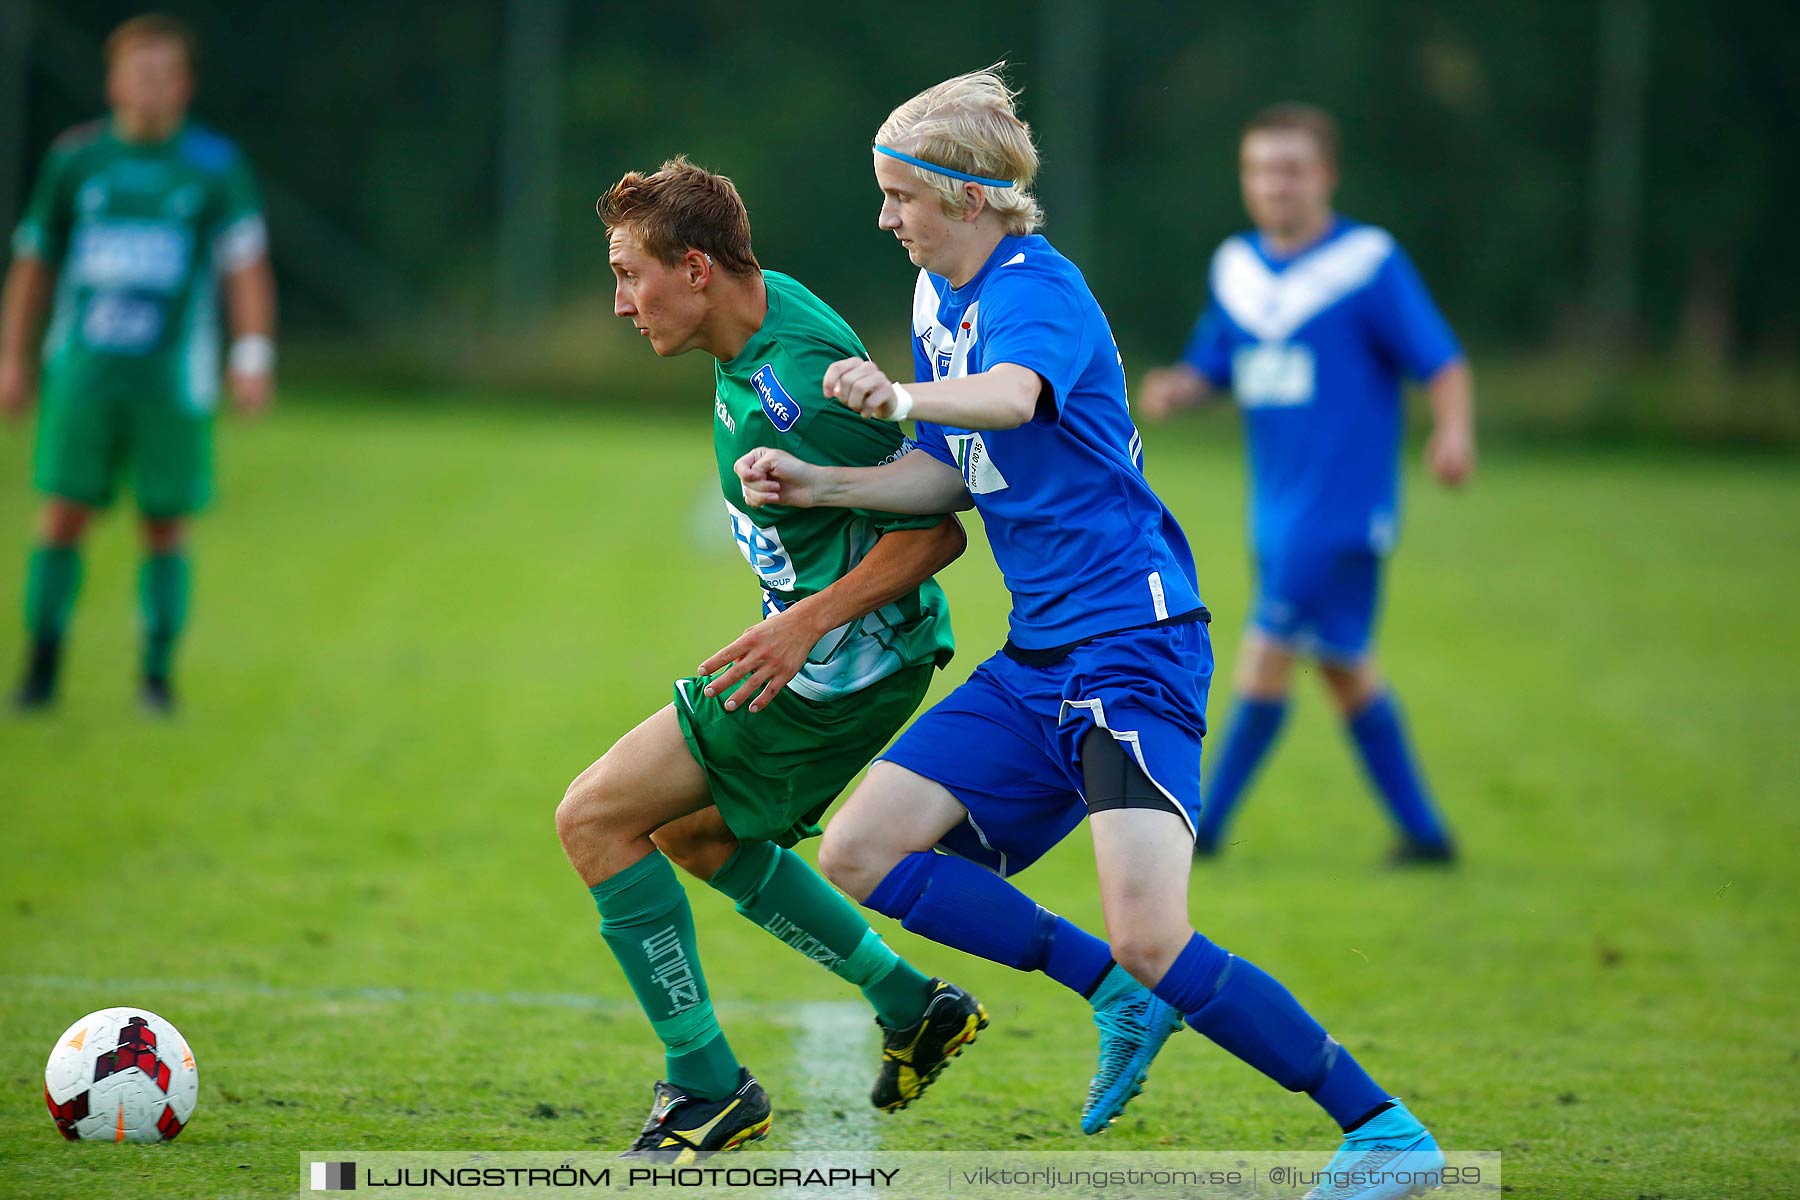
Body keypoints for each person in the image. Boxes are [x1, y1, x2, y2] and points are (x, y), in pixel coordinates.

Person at [737, 69, 1445, 1194]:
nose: (886, 219)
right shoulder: (939, 302)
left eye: (899, 196)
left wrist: (903, 398)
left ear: (966, 198)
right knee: (859, 853)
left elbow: (1012, 399)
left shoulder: (1037, 291)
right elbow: (958, 475)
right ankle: (1110, 993)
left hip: (1132, 649)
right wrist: (826, 481)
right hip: (1040, 658)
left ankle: (1385, 1133)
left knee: (1158, 936)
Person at [556, 156, 981, 1161]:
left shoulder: (800, 384)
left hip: (834, 670)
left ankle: (707, 1088)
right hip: (834, 659)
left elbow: (937, 533)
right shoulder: (761, 313)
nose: (620, 303)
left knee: (595, 820)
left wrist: (801, 624)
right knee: (697, 837)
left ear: (696, 268)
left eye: (631, 274)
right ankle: (912, 1005)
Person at [1136, 104, 1474, 864]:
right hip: (1277, 507)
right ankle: (1425, 835)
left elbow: (1441, 361)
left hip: (1343, 510)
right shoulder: (1238, 269)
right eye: (1259, 170)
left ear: (1324, 176)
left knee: (1267, 652)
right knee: (1346, 668)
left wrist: (1453, 431)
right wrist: (1179, 389)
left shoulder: (1366, 263)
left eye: (1290, 169)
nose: (1273, 185)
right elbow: (1216, 362)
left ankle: (1203, 827)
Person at [2, 13, 276, 713]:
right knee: (62, 514)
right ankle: (41, 669)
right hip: (83, 375)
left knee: (165, 522)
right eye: (137, 73)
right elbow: (34, 263)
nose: (149, 87)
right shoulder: (75, 161)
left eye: (162, 74)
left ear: (182, 84)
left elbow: (244, 267)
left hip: (171, 382)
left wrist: (251, 355)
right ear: (114, 81)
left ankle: (155, 680)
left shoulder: (213, 165)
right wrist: (12, 357)